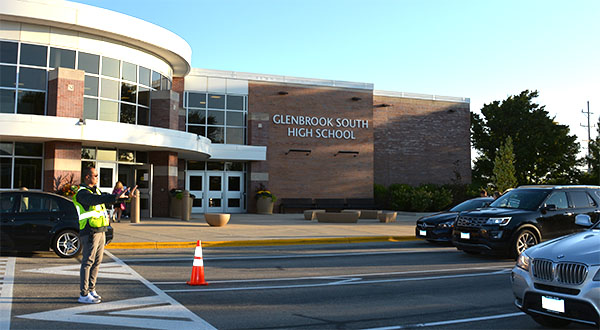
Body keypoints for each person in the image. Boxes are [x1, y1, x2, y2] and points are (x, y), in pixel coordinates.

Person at [73, 167, 136, 304]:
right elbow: (95, 200)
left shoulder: (96, 190)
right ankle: (83, 294)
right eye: (95, 175)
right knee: (87, 262)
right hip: (90, 231)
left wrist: (124, 199)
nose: (97, 177)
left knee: (97, 262)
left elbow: (106, 201)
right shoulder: (82, 193)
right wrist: (114, 196)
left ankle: (91, 289)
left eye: (97, 175)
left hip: (100, 230)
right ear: (87, 177)